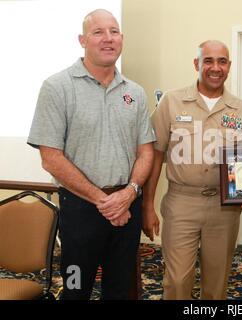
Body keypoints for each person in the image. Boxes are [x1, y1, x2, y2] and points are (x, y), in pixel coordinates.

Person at [27, 9, 155, 300]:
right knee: (74, 289)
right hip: (81, 211)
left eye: (114, 31)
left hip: (127, 209)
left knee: (121, 290)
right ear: (82, 40)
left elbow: (145, 152)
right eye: (98, 32)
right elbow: (51, 158)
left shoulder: (135, 93)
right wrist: (104, 201)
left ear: (121, 38)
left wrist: (129, 193)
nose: (108, 38)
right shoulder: (57, 87)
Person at [142, 40, 242, 300]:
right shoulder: (172, 102)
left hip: (224, 207)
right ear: (197, 64)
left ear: (229, 66)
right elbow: (155, 154)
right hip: (182, 203)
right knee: (177, 282)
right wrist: (147, 206)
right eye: (208, 61)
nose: (215, 68)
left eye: (222, 61)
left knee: (217, 285)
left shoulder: (241, 109)